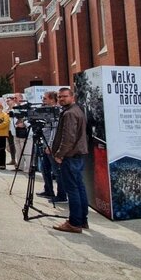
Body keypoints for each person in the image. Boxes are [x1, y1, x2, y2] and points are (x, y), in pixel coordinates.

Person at [51, 87, 89, 233]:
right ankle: (82, 220)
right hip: (77, 155)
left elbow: (68, 138)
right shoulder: (76, 110)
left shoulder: (70, 113)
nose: (61, 99)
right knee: (79, 188)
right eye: (59, 97)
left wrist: (60, 154)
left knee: (73, 189)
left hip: (71, 156)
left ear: (72, 97)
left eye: (64, 96)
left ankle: (74, 223)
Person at [37, 91, 67, 202]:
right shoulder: (46, 111)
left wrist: (50, 145)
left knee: (57, 171)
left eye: (45, 99)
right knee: (44, 169)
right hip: (45, 144)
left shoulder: (56, 111)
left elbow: (55, 130)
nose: (43, 101)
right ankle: (48, 190)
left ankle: (61, 195)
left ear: (52, 99)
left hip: (52, 146)